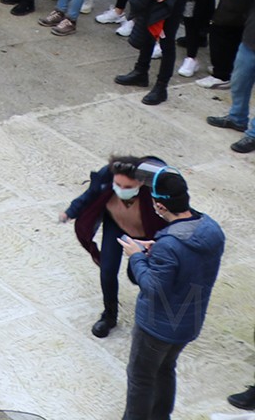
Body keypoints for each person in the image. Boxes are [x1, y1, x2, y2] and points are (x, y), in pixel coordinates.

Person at [119, 167, 223, 420]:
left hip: (157, 326)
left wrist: (136, 258)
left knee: (141, 378)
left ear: (160, 206)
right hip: (189, 323)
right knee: (166, 369)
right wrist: (159, 250)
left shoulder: (170, 245)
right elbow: (189, 263)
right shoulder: (212, 230)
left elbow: (153, 287)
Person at [61, 154, 167, 341]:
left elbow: (175, 212)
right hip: (115, 226)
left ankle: (150, 315)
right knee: (107, 271)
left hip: (146, 232)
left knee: (137, 275)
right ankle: (109, 315)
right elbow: (89, 196)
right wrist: (71, 212)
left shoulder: (156, 191)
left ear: (141, 183)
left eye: (128, 187)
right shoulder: (106, 178)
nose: (121, 190)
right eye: (118, 185)